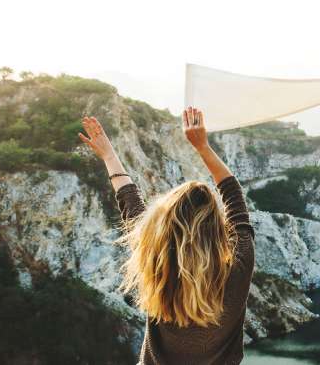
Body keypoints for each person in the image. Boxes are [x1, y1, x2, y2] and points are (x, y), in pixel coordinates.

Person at [78, 107, 255, 365]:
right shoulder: (238, 269)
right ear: (217, 228)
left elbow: (130, 203)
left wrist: (109, 155)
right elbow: (234, 197)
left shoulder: (155, 261)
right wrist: (203, 146)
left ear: (164, 227)